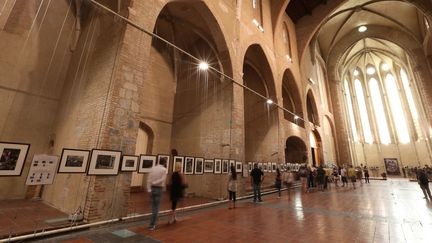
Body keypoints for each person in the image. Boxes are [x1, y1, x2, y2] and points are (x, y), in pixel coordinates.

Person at [147, 157, 168, 230]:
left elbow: (148, 179)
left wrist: (149, 189)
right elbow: (163, 179)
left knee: (153, 206)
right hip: (158, 189)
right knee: (156, 207)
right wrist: (155, 183)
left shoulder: (152, 168)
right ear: (164, 162)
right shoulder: (164, 169)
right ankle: (152, 225)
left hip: (152, 188)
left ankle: (154, 220)